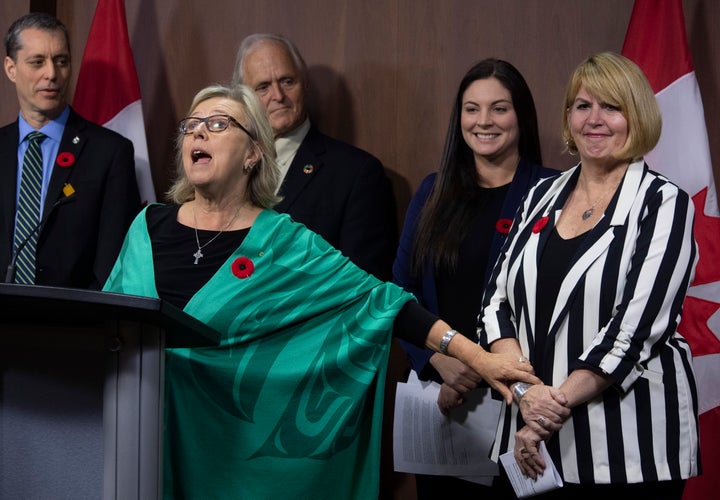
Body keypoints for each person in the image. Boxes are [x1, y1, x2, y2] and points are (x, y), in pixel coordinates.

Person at [102, 83, 541, 499]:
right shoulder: (146, 227)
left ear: (254, 152)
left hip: (229, 459)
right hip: (137, 439)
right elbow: (105, 326)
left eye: (219, 124)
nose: (198, 130)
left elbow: (382, 303)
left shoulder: (284, 241)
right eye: (191, 124)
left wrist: (478, 357)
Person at [479, 52, 700, 499]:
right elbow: (495, 302)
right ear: (568, 117)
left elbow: (633, 332)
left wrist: (545, 407)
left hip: (626, 447)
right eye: (583, 106)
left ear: (636, 116)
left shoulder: (664, 203)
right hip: (528, 438)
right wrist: (525, 393)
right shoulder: (542, 193)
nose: (594, 120)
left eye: (611, 107)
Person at [392, 58, 561, 497]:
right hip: (446, 400)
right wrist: (438, 361)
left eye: (499, 108)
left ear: (521, 116)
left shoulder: (555, 192)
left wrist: (489, 368)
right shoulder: (432, 192)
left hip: (522, 404)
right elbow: (399, 292)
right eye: (472, 109)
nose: (484, 121)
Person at [231, 33, 396, 280]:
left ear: (305, 84)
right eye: (263, 87)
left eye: (287, 81)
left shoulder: (357, 173)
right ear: (243, 99)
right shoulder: (226, 167)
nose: (278, 95)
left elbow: (363, 283)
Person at [0, 12, 141, 289]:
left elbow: (113, 263)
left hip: (73, 325)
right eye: (37, 62)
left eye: (61, 61)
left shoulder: (110, 153)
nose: (51, 74)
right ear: (10, 68)